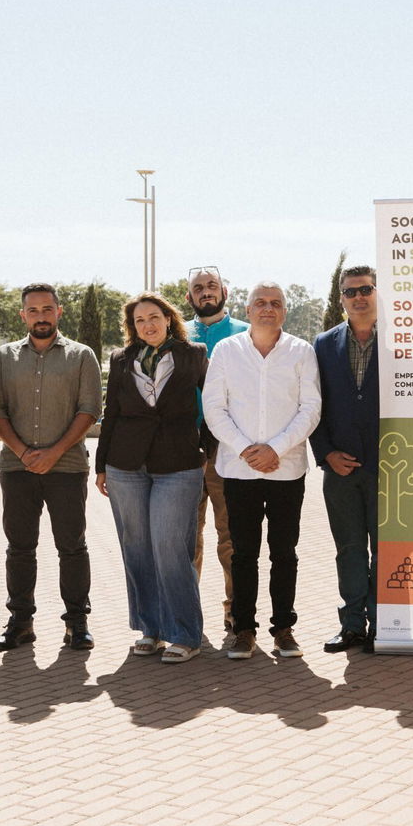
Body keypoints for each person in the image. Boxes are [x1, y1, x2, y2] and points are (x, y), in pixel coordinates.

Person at [203, 282, 322, 660]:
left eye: (275, 303)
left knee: (284, 553)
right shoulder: (227, 351)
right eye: (260, 303)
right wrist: (245, 449)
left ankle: (283, 629)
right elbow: (214, 408)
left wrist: (276, 449)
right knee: (242, 554)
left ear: (284, 311)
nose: (267, 308)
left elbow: (311, 408)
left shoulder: (301, 351)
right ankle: (243, 630)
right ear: (248, 309)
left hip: (287, 470)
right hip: (238, 470)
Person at [0, 284, 102, 652]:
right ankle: (21, 622)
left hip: (67, 468)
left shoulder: (81, 356)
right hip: (16, 468)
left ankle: (77, 622)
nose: (40, 316)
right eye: (33, 310)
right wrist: (23, 452)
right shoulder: (3, 357)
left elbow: (90, 409)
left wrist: (54, 452)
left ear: (59, 312)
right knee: (19, 548)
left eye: (47, 309)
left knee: (72, 547)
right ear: (23, 315)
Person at [95, 293, 209, 663]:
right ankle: (150, 629)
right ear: (133, 326)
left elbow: (215, 403)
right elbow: (111, 413)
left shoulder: (194, 355)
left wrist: (206, 450)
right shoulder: (121, 358)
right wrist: (101, 465)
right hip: (125, 465)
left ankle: (185, 634)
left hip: (179, 465)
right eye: (140, 320)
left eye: (154, 317)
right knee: (137, 549)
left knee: (170, 547)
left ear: (168, 318)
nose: (148, 325)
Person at [311, 266, 380, 654]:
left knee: (386, 550)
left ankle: (383, 625)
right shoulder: (323, 344)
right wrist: (325, 453)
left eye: (366, 289)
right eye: (351, 292)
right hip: (340, 469)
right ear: (341, 299)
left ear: (377, 293)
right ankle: (352, 625)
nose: (359, 297)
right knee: (349, 549)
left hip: (390, 468)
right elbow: (312, 404)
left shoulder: (402, 341)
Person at [184, 266, 248, 634]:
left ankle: (236, 610)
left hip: (229, 450)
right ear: (189, 296)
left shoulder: (246, 333)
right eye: (198, 288)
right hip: (183, 450)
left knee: (232, 537)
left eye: (212, 286)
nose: (206, 292)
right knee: (185, 538)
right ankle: (185, 613)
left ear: (225, 291)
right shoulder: (176, 334)